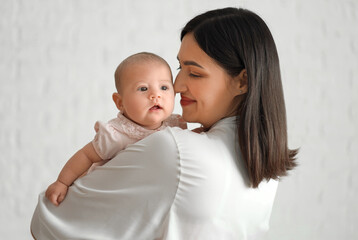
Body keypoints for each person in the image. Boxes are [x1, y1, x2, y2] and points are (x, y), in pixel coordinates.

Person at [31, 7, 297, 239]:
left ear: (242, 81)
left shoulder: (174, 150)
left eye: (194, 72)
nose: (177, 85)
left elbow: (49, 220)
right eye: (179, 67)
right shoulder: (264, 166)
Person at [45, 52, 187, 206]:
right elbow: (86, 156)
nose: (155, 95)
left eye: (164, 87)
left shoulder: (175, 124)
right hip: (109, 196)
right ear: (120, 102)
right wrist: (62, 183)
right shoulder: (117, 133)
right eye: (143, 89)